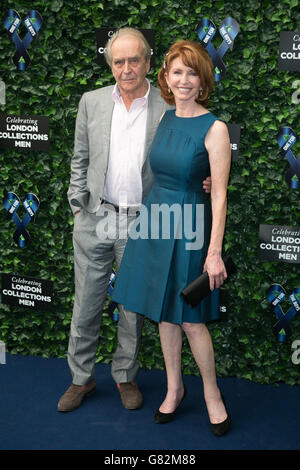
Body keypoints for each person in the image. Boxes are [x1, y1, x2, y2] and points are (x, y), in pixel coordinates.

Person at [58, 28, 212, 413]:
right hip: (96, 217)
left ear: (147, 62)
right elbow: (80, 158)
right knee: (86, 303)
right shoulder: (91, 102)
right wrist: (78, 207)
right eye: (118, 61)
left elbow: (189, 153)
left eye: (134, 60)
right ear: (110, 64)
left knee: (133, 308)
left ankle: (125, 375)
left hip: (145, 223)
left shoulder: (167, 106)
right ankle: (81, 378)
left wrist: (203, 177)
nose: (126, 69)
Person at [112, 40, 232, 436]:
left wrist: (214, 254)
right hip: (156, 224)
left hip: (192, 229)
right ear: (166, 76)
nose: (184, 80)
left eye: (192, 72)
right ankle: (174, 388)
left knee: (192, 321)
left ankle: (213, 396)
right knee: (164, 314)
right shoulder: (164, 118)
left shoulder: (215, 128)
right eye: (177, 72)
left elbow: (219, 194)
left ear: (203, 80)